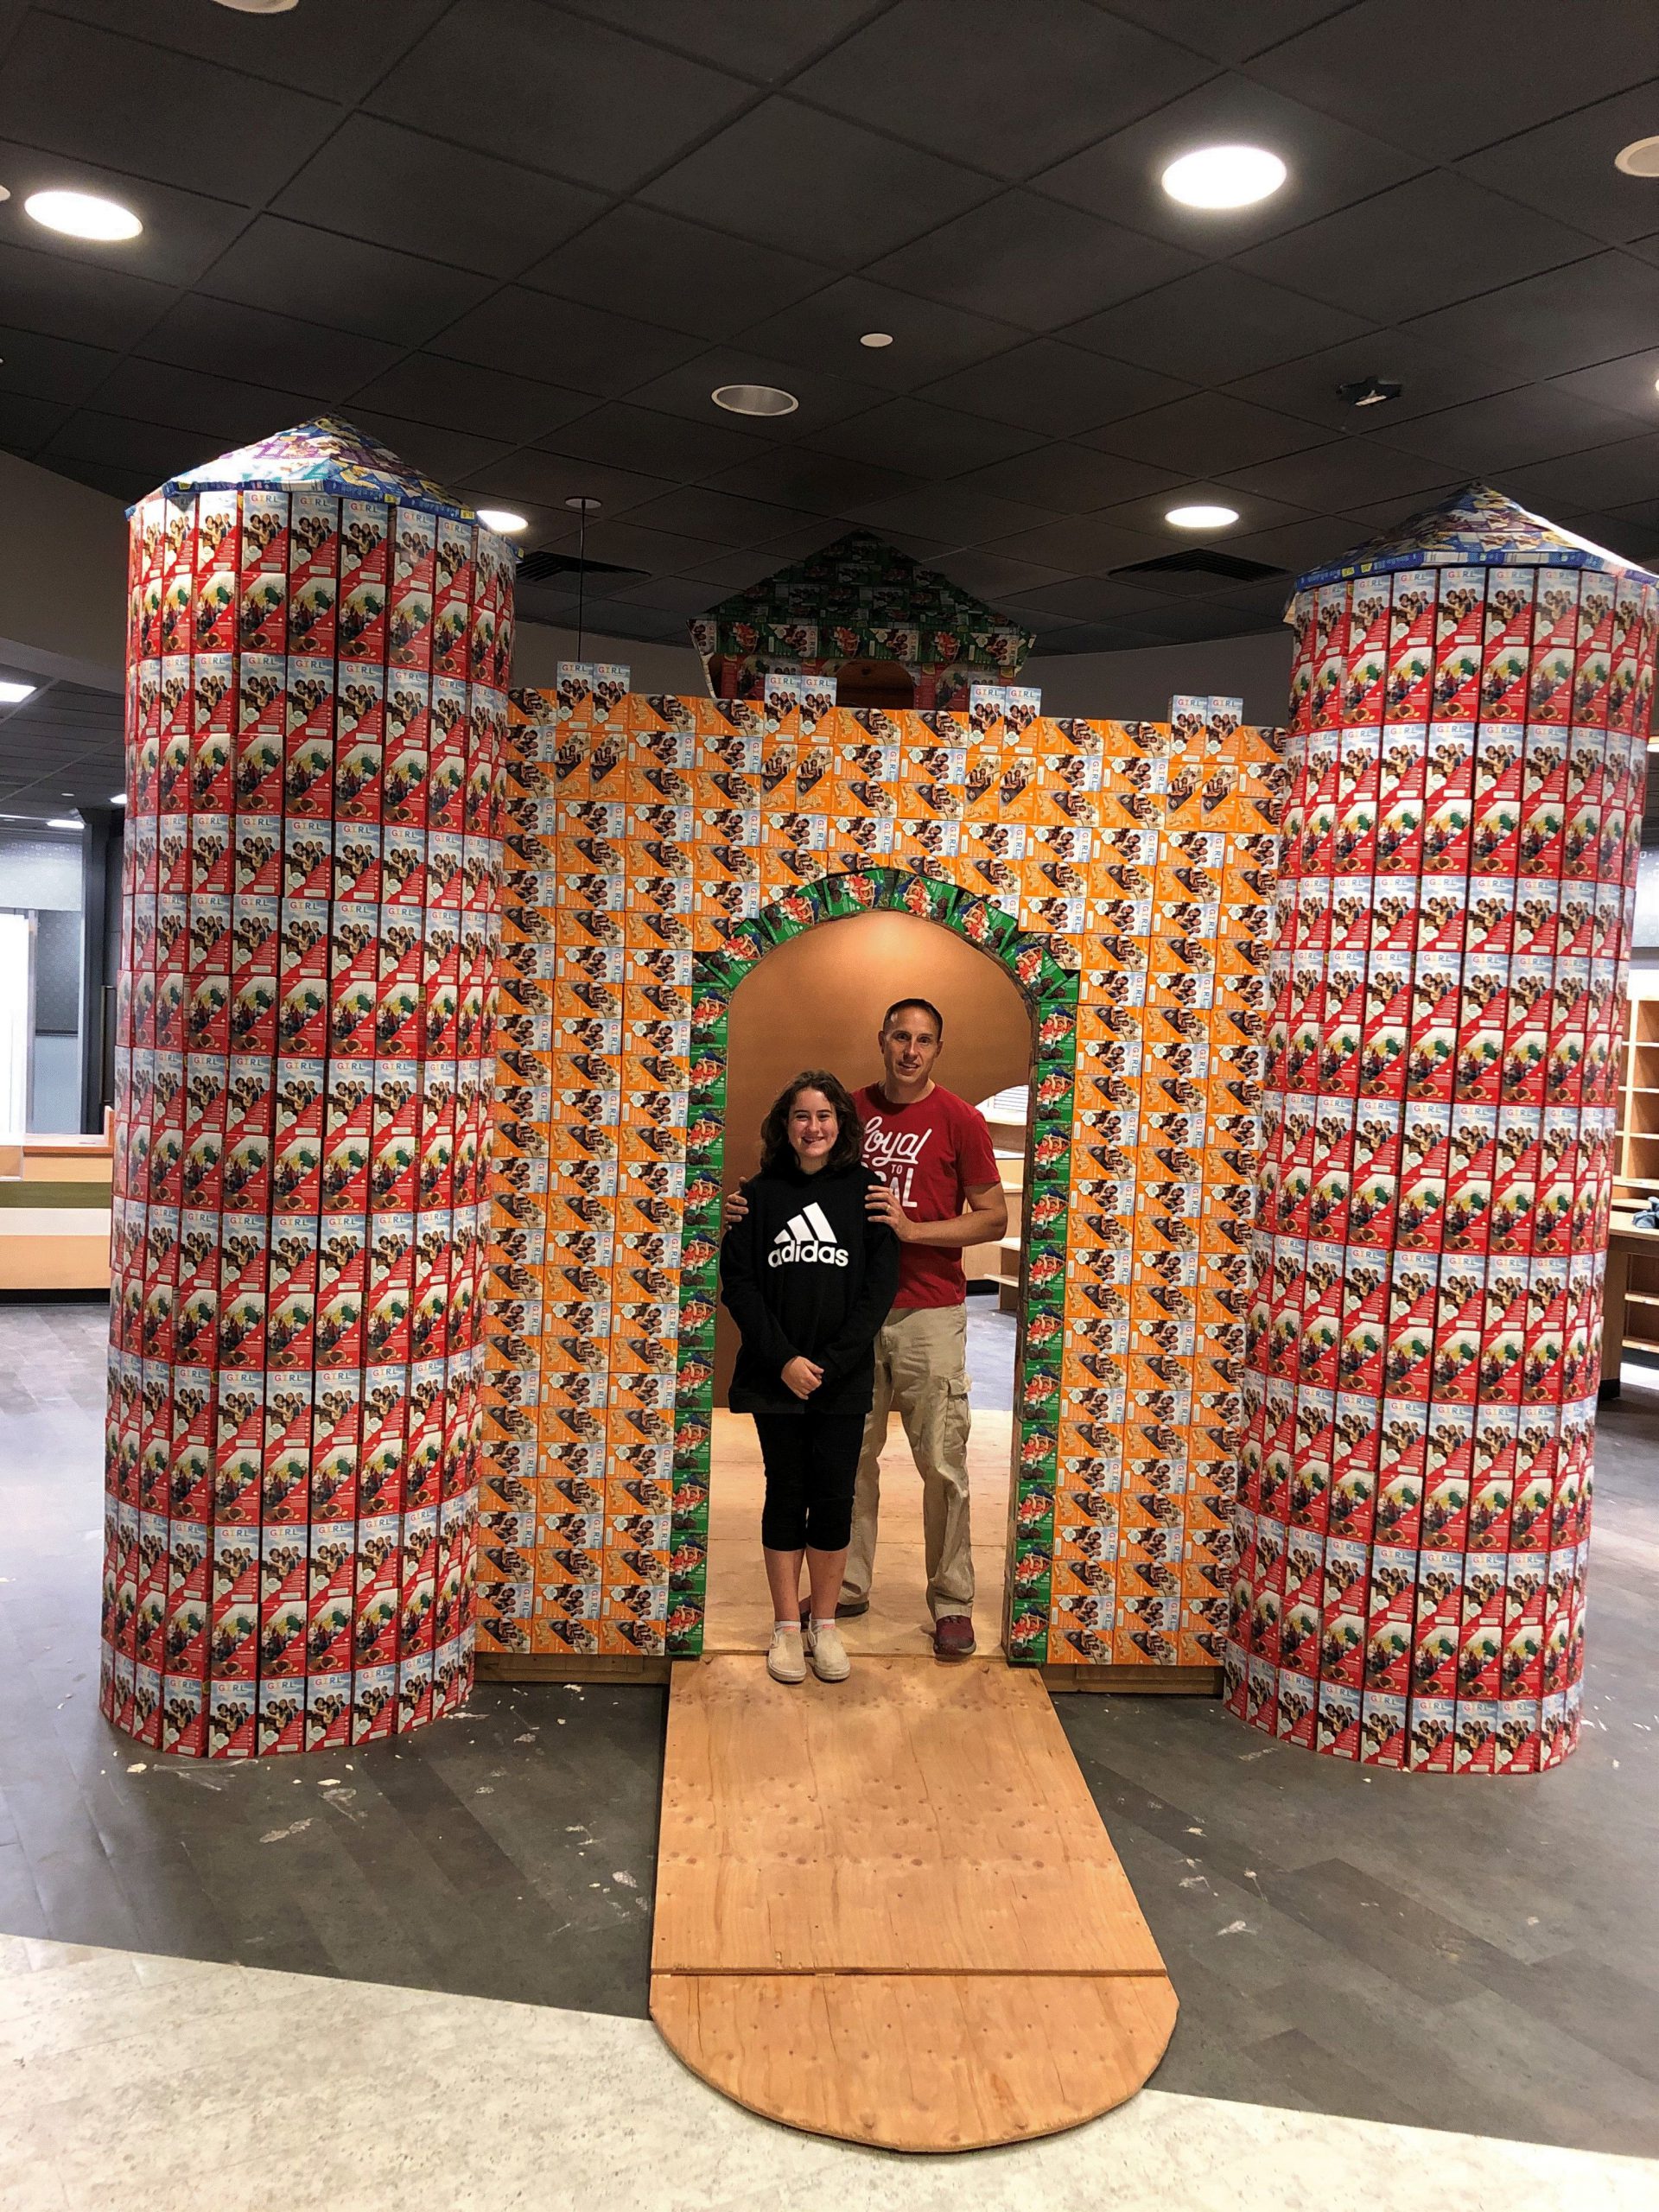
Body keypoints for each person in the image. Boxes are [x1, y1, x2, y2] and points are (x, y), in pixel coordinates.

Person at [726, 999, 1007, 1656]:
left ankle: (952, 1601)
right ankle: (842, 1591)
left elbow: (992, 1218)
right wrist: (750, 1202)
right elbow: (795, 1175)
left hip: (925, 1311)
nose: (911, 1050)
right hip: (841, 1320)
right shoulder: (845, 1110)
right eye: (901, 1037)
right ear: (882, 1040)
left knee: (942, 1462)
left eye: (925, 1040)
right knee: (846, 1465)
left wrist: (914, 1231)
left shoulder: (960, 1119)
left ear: (939, 1048)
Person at [719, 1071, 899, 1687]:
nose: (813, 1127)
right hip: (779, 1378)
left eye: (825, 1116)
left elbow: (879, 1290)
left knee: (834, 1497)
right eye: (802, 1115)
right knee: (784, 1492)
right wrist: (785, 1361)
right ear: (784, 1125)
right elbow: (738, 1285)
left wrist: (834, 1362)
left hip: (841, 1380)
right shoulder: (758, 1197)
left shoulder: (868, 1195)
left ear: (842, 1125)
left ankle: (825, 1624)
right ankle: (786, 1628)